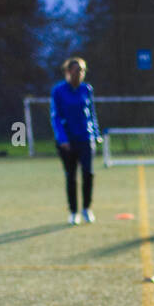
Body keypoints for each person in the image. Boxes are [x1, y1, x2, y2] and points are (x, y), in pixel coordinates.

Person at [50, 57, 101, 225]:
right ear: (68, 71)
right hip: (67, 141)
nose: (80, 73)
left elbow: (91, 113)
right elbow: (56, 116)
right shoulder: (58, 91)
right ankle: (73, 211)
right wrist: (62, 139)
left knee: (88, 173)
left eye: (82, 70)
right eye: (76, 70)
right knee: (71, 176)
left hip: (85, 139)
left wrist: (95, 134)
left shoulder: (87, 89)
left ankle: (87, 208)